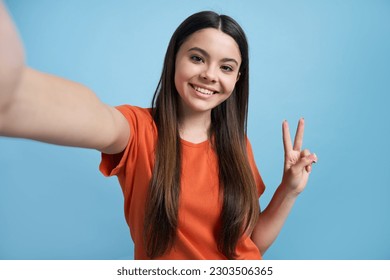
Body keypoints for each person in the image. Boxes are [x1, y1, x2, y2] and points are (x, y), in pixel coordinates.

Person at [0, 4, 317, 260]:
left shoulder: (237, 145)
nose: (209, 75)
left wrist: (288, 190)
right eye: (197, 58)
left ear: (237, 79)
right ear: (174, 59)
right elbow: (93, 115)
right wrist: (13, 90)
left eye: (226, 67)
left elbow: (250, 247)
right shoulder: (136, 131)